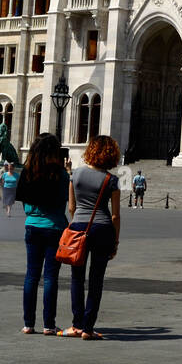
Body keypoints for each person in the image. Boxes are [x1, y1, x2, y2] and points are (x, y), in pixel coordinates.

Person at [62, 135, 122, 339]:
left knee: (77, 277)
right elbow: (115, 215)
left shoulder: (75, 174)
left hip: (79, 225)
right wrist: (115, 241)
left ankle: (76, 325)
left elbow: (71, 207)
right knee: (96, 280)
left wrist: (78, 222)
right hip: (103, 229)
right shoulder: (111, 180)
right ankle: (88, 328)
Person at [17, 134, 70, 335]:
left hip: (32, 226)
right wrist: (66, 170)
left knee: (31, 275)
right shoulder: (61, 175)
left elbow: (24, 204)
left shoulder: (27, 172)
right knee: (50, 277)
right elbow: (65, 200)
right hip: (55, 227)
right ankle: (49, 324)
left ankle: (28, 323)